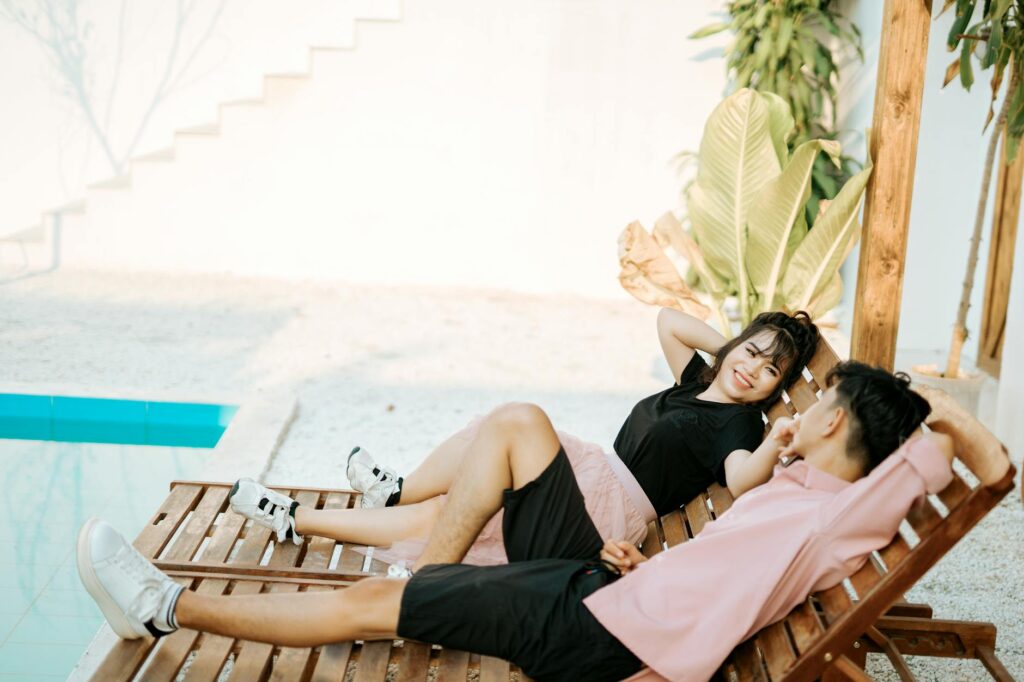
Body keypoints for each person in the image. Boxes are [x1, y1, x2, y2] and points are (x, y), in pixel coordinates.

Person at [76, 361, 952, 682]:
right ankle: (424, 570)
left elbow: (952, 458)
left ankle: (162, 607)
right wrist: (648, 567)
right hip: (613, 586)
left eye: (822, 401)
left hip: (596, 635)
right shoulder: (805, 494)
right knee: (518, 424)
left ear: (836, 424)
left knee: (370, 610)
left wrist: (927, 407)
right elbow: (722, 574)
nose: (806, 410)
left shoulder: (829, 518)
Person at [228, 308, 819, 569]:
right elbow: (667, 320)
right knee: (486, 441)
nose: (752, 369)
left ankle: (303, 517)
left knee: (458, 504)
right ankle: (389, 493)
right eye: (751, 352)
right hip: (589, 473)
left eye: (770, 370)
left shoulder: (739, 424)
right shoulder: (696, 382)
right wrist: (731, 351)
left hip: (605, 512)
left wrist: (775, 439)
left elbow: (742, 477)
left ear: (775, 388)